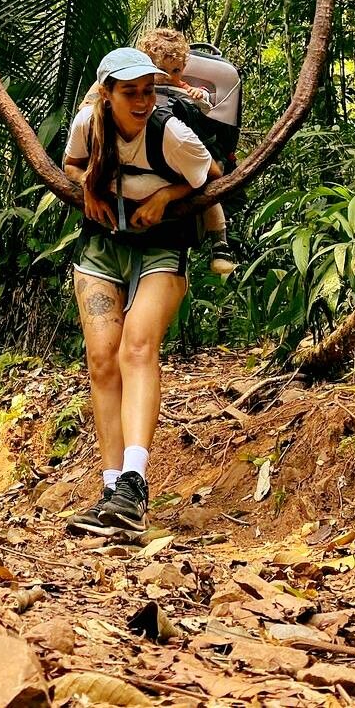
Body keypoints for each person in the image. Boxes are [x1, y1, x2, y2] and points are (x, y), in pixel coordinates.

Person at [62, 46, 220, 537]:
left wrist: (166, 195)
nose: (143, 100)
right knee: (102, 359)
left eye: (148, 90)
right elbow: (71, 165)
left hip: (161, 246)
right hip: (103, 244)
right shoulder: (89, 123)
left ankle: (134, 480)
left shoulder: (171, 132)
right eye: (130, 92)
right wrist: (87, 185)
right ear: (106, 94)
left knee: (137, 348)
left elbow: (213, 178)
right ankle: (111, 490)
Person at [136, 28, 235, 275]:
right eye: (162, 71)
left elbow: (206, 108)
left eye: (176, 70)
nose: (169, 77)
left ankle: (220, 242)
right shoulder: (138, 90)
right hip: (153, 159)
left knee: (207, 193)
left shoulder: (182, 87)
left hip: (189, 156)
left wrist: (198, 96)